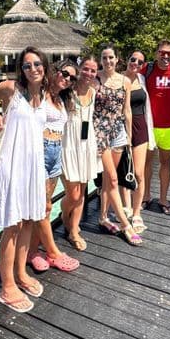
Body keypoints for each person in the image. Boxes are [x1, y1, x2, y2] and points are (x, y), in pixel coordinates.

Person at [0, 46, 48, 311]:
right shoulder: (11, 89)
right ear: (21, 70)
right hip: (12, 165)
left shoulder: (45, 94)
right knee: (12, 226)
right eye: (27, 65)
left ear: (44, 66)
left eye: (37, 64)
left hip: (33, 167)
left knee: (27, 222)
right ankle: (7, 286)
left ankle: (21, 274)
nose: (33, 69)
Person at [26, 61, 80, 273]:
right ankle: (53, 252)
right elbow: (12, 100)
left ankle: (32, 252)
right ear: (55, 71)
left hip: (55, 153)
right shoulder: (38, 93)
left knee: (45, 207)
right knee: (43, 207)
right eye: (65, 73)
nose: (67, 79)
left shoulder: (61, 99)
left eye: (72, 78)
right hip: (40, 150)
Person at [94, 46, 142, 245]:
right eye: (104, 57)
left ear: (117, 59)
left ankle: (103, 217)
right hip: (100, 132)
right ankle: (125, 225)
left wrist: (129, 137)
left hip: (118, 133)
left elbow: (127, 110)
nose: (108, 61)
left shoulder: (125, 81)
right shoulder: (95, 78)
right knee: (113, 179)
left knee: (109, 178)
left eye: (111, 57)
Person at [61, 55, 99, 251]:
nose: (88, 73)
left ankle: (74, 230)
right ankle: (63, 216)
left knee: (82, 191)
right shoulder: (67, 91)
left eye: (93, 70)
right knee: (73, 194)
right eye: (85, 69)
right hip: (68, 144)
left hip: (87, 144)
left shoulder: (94, 92)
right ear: (79, 68)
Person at [142, 40, 170, 215]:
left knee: (165, 163)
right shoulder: (146, 69)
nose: (166, 56)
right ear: (156, 53)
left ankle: (163, 199)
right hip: (149, 125)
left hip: (169, 125)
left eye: (169, 53)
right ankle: (146, 196)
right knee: (146, 163)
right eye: (162, 52)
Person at [120, 49, 154, 234]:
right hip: (121, 128)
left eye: (140, 62)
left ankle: (136, 212)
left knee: (139, 173)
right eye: (133, 59)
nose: (136, 64)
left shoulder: (142, 79)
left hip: (140, 127)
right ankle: (126, 208)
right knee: (125, 171)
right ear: (127, 59)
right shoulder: (117, 79)